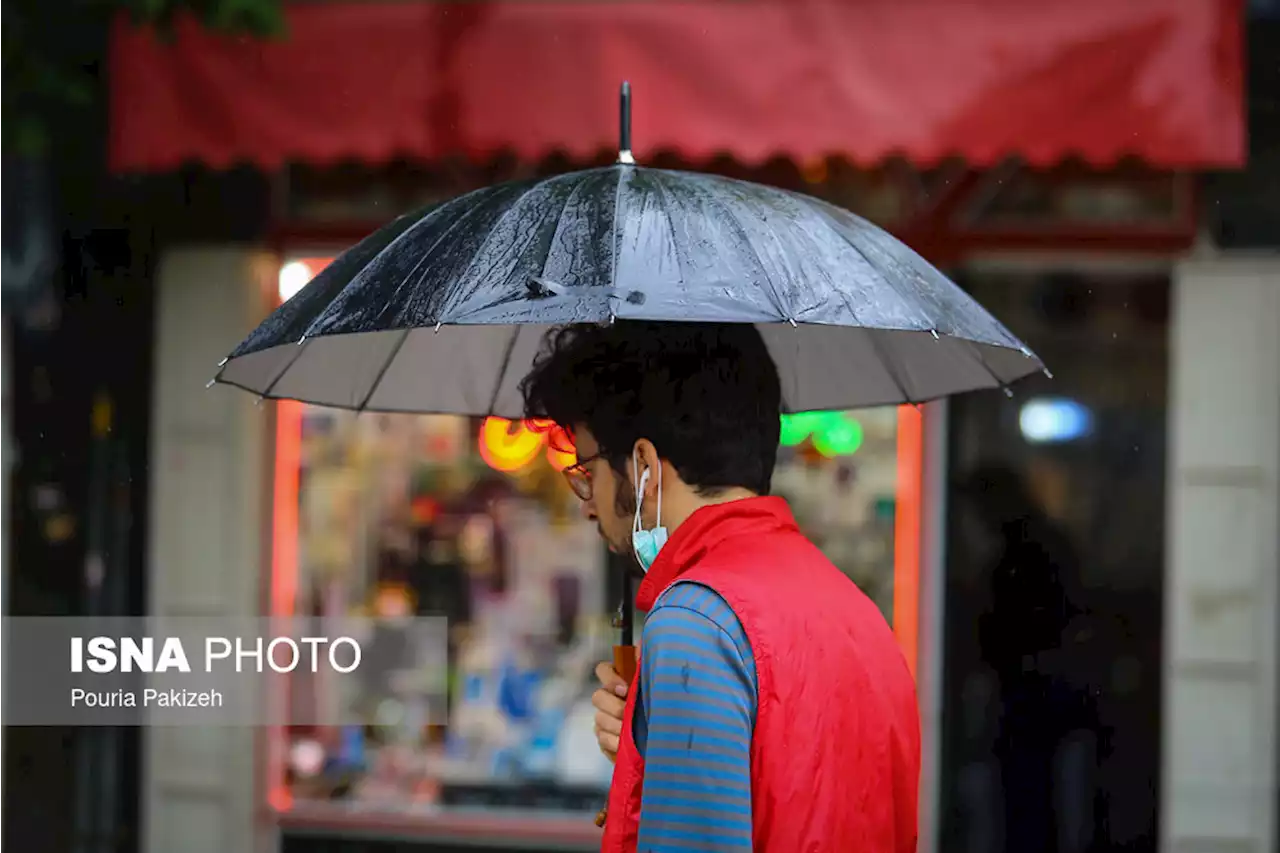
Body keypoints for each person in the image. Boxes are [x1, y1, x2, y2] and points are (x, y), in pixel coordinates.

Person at [521, 321, 921, 852]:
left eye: (587, 471)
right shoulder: (857, 611)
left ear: (642, 466)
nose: (586, 501)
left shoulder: (696, 622)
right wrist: (650, 758)